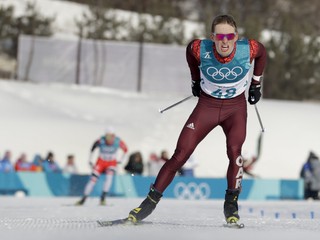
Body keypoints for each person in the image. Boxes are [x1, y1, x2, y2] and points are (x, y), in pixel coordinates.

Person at [125, 14, 267, 225]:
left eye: (229, 36)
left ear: (236, 37)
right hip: (207, 107)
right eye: (220, 36)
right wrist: (195, 79)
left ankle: (231, 205)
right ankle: (149, 202)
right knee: (181, 153)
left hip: (235, 109)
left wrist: (255, 84)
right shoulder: (199, 48)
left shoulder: (249, 48)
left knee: (235, 152)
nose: (225, 41)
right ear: (213, 37)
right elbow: (190, 54)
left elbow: (262, 53)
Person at [76, 127, 128, 206]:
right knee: (93, 180)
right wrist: (90, 160)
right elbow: (92, 149)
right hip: (100, 162)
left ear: (114, 136)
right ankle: (83, 199)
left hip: (111, 162)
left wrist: (121, 160)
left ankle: (103, 198)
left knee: (109, 178)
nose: (109, 139)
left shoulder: (118, 141)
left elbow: (126, 150)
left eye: (111, 136)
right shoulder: (101, 140)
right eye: (107, 136)